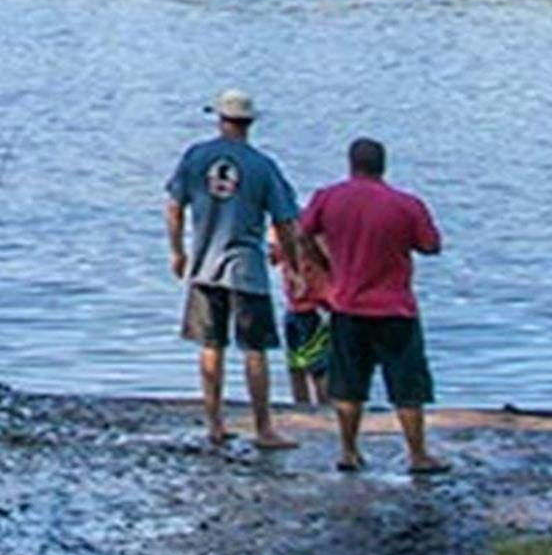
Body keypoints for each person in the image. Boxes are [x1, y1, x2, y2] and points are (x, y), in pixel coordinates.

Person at [298, 137, 449, 475]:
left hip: (347, 305)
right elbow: (431, 246)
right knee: (407, 386)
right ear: (383, 166)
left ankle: (349, 451)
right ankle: (418, 454)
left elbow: (303, 232)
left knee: (349, 383)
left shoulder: (328, 198)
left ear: (351, 164)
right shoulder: (406, 204)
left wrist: (322, 267)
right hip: (395, 308)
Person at [164, 88, 301, 449]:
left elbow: (174, 206)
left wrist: (178, 252)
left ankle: (215, 423)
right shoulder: (262, 166)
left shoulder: (195, 157)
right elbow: (286, 221)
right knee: (254, 349)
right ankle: (263, 427)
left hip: (205, 266)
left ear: (220, 119)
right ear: (249, 123)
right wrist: (296, 265)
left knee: (211, 345)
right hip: (247, 270)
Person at [273, 225, 331, 407]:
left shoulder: (294, 233)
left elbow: (273, 258)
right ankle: (313, 406)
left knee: (308, 366)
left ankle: (312, 406)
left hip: (306, 308)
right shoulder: (288, 233)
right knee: (307, 365)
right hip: (306, 308)